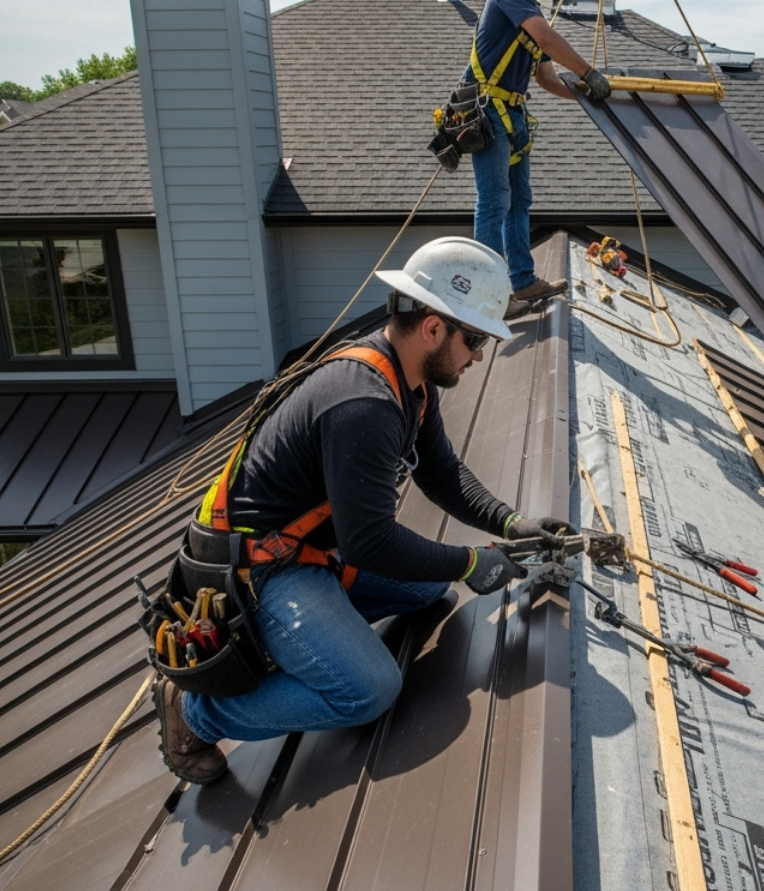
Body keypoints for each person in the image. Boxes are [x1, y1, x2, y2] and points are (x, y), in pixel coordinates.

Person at [151, 237, 577, 785]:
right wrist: (472, 563)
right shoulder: (365, 403)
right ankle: (195, 713)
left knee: (427, 590)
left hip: (306, 554)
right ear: (432, 327)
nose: (477, 355)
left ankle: (308, 640)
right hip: (260, 574)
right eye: (473, 339)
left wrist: (510, 523)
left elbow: (441, 473)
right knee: (368, 689)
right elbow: (370, 544)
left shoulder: (411, 384)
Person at [466, 0, 612, 319]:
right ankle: (491, 296)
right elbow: (546, 39)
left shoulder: (529, 12)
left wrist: (591, 98)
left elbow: (546, 77)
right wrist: (587, 72)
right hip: (487, 109)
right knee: (495, 201)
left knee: (520, 200)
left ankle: (522, 280)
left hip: (511, 112)